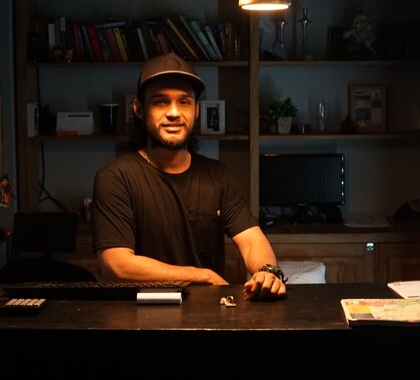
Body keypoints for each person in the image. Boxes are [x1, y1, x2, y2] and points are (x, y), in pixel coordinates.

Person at [91, 53, 287, 300]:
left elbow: (251, 241)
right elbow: (117, 265)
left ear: (196, 110)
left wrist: (267, 272)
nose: (174, 113)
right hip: (137, 314)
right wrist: (202, 276)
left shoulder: (218, 176)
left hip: (208, 313)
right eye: (160, 102)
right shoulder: (116, 177)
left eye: (183, 102)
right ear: (139, 109)